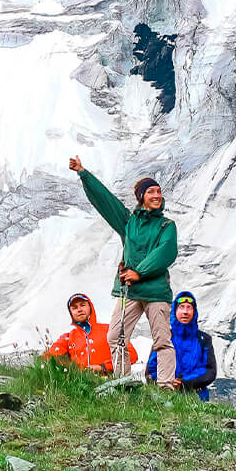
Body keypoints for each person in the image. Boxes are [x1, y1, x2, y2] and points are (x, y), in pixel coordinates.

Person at [68, 156, 178, 388]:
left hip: (155, 291)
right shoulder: (129, 222)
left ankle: (166, 386)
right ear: (141, 197)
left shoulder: (167, 225)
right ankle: (123, 383)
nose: (157, 195)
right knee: (115, 337)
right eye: (151, 192)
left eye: (159, 192)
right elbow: (106, 201)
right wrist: (83, 174)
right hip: (130, 290)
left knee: (162, 340)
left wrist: (139, 272)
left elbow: (166, 251)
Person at [145, 290, 217, 400]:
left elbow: (210, 372)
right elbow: (150, 371)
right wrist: (167, 383)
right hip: (165, 397)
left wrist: (185, 384)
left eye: (189, 308)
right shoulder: (164, 338)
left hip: (197, 398)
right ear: (175, 311)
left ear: (194, 312)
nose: (185, 312)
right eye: (181, 307)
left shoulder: (204, 339)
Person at [43, 292, 137, 373]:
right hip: (82, 384)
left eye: (82, 305)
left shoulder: (108, 329)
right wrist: (69, 369)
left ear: (90, 307)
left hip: (110, 380)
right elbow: (47, 358)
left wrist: (103, 367)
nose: (79, 309)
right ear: (71, 313)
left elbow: (131, 355)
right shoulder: (68, 337)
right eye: (74, 308)